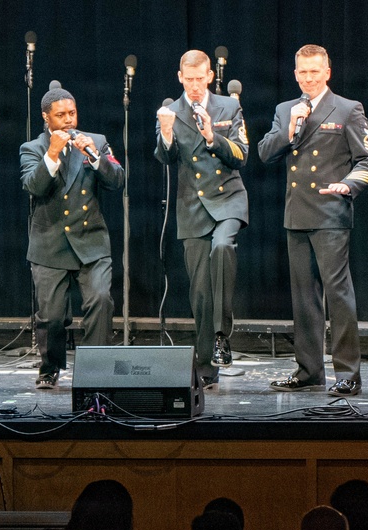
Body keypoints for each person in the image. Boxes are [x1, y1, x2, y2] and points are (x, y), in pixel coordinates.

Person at [258, 44, 368, 396]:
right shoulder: (285, 109)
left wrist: (348, 185)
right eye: (302, 72)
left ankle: (348, 373)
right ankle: (309, 369)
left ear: (327, 72)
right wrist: (291, 125)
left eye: (315, 71)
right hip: (297, 213)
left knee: (337, 295)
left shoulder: (347, 109)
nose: (308, 78)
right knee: (303, 298)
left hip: (330, 213)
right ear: (295, 74)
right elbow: (266, 152)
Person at [155, 49, 249, 390]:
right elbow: (164, 157)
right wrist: (165, 134)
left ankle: (223, 334)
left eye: (200, 79)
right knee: (199, 291)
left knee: (223, 248)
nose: (195, 86)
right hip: (192, 205)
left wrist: (213, 137)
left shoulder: (228, 107)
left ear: (210, 77)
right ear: (180, 77)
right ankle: (206, 363)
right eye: (189, 79)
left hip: (228, 199)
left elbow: (242, 155)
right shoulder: (170, 110)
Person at [20, 85, 124, 389]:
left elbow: (117, 179)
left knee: (101, 300)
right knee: (51, 317)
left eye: (72, 113)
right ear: (46, 117)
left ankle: (96, 369)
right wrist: (52, 154)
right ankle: (50, 366)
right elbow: (33, 187)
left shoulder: (97, 142)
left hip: (90, 241)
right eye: (61, 115)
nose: (68, 120)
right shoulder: (32, 148)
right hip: (50, 243)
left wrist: (95, 158)